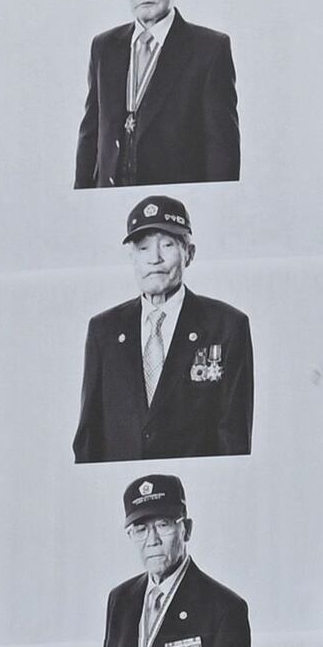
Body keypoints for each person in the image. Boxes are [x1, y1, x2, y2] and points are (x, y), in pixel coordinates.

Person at [74, 193, 256, 461]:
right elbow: (89, 434)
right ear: (132, 257)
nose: (154, 259)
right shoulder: (105, 330)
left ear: (189, 254)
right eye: (143, 248)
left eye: (167, 245)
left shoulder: (227, 326)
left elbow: (235, 436)